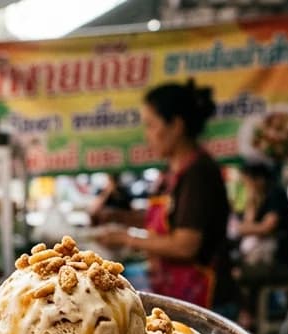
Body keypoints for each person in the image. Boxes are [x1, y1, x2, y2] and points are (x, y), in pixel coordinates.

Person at [96, 80, 237, 314]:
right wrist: (121, 217)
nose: (147, 135)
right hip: (178, 291)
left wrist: (126, 238)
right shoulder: (173, 172)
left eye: (151, 125)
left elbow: (185, 245)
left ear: (176, 125)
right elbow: (167, 223)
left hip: (206, 299)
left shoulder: (198, 172)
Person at [233, 162, 288, 328]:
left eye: (248, 182)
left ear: (260, 180)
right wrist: (251, 201)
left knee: (235, 275)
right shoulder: (261, 199)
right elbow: (250, 222)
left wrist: (241, 229)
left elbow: (267, 227)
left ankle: (249, 319)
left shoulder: (276, 196)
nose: (246, 186)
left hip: (282, 263)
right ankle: (250, 317)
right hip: (268, 260)